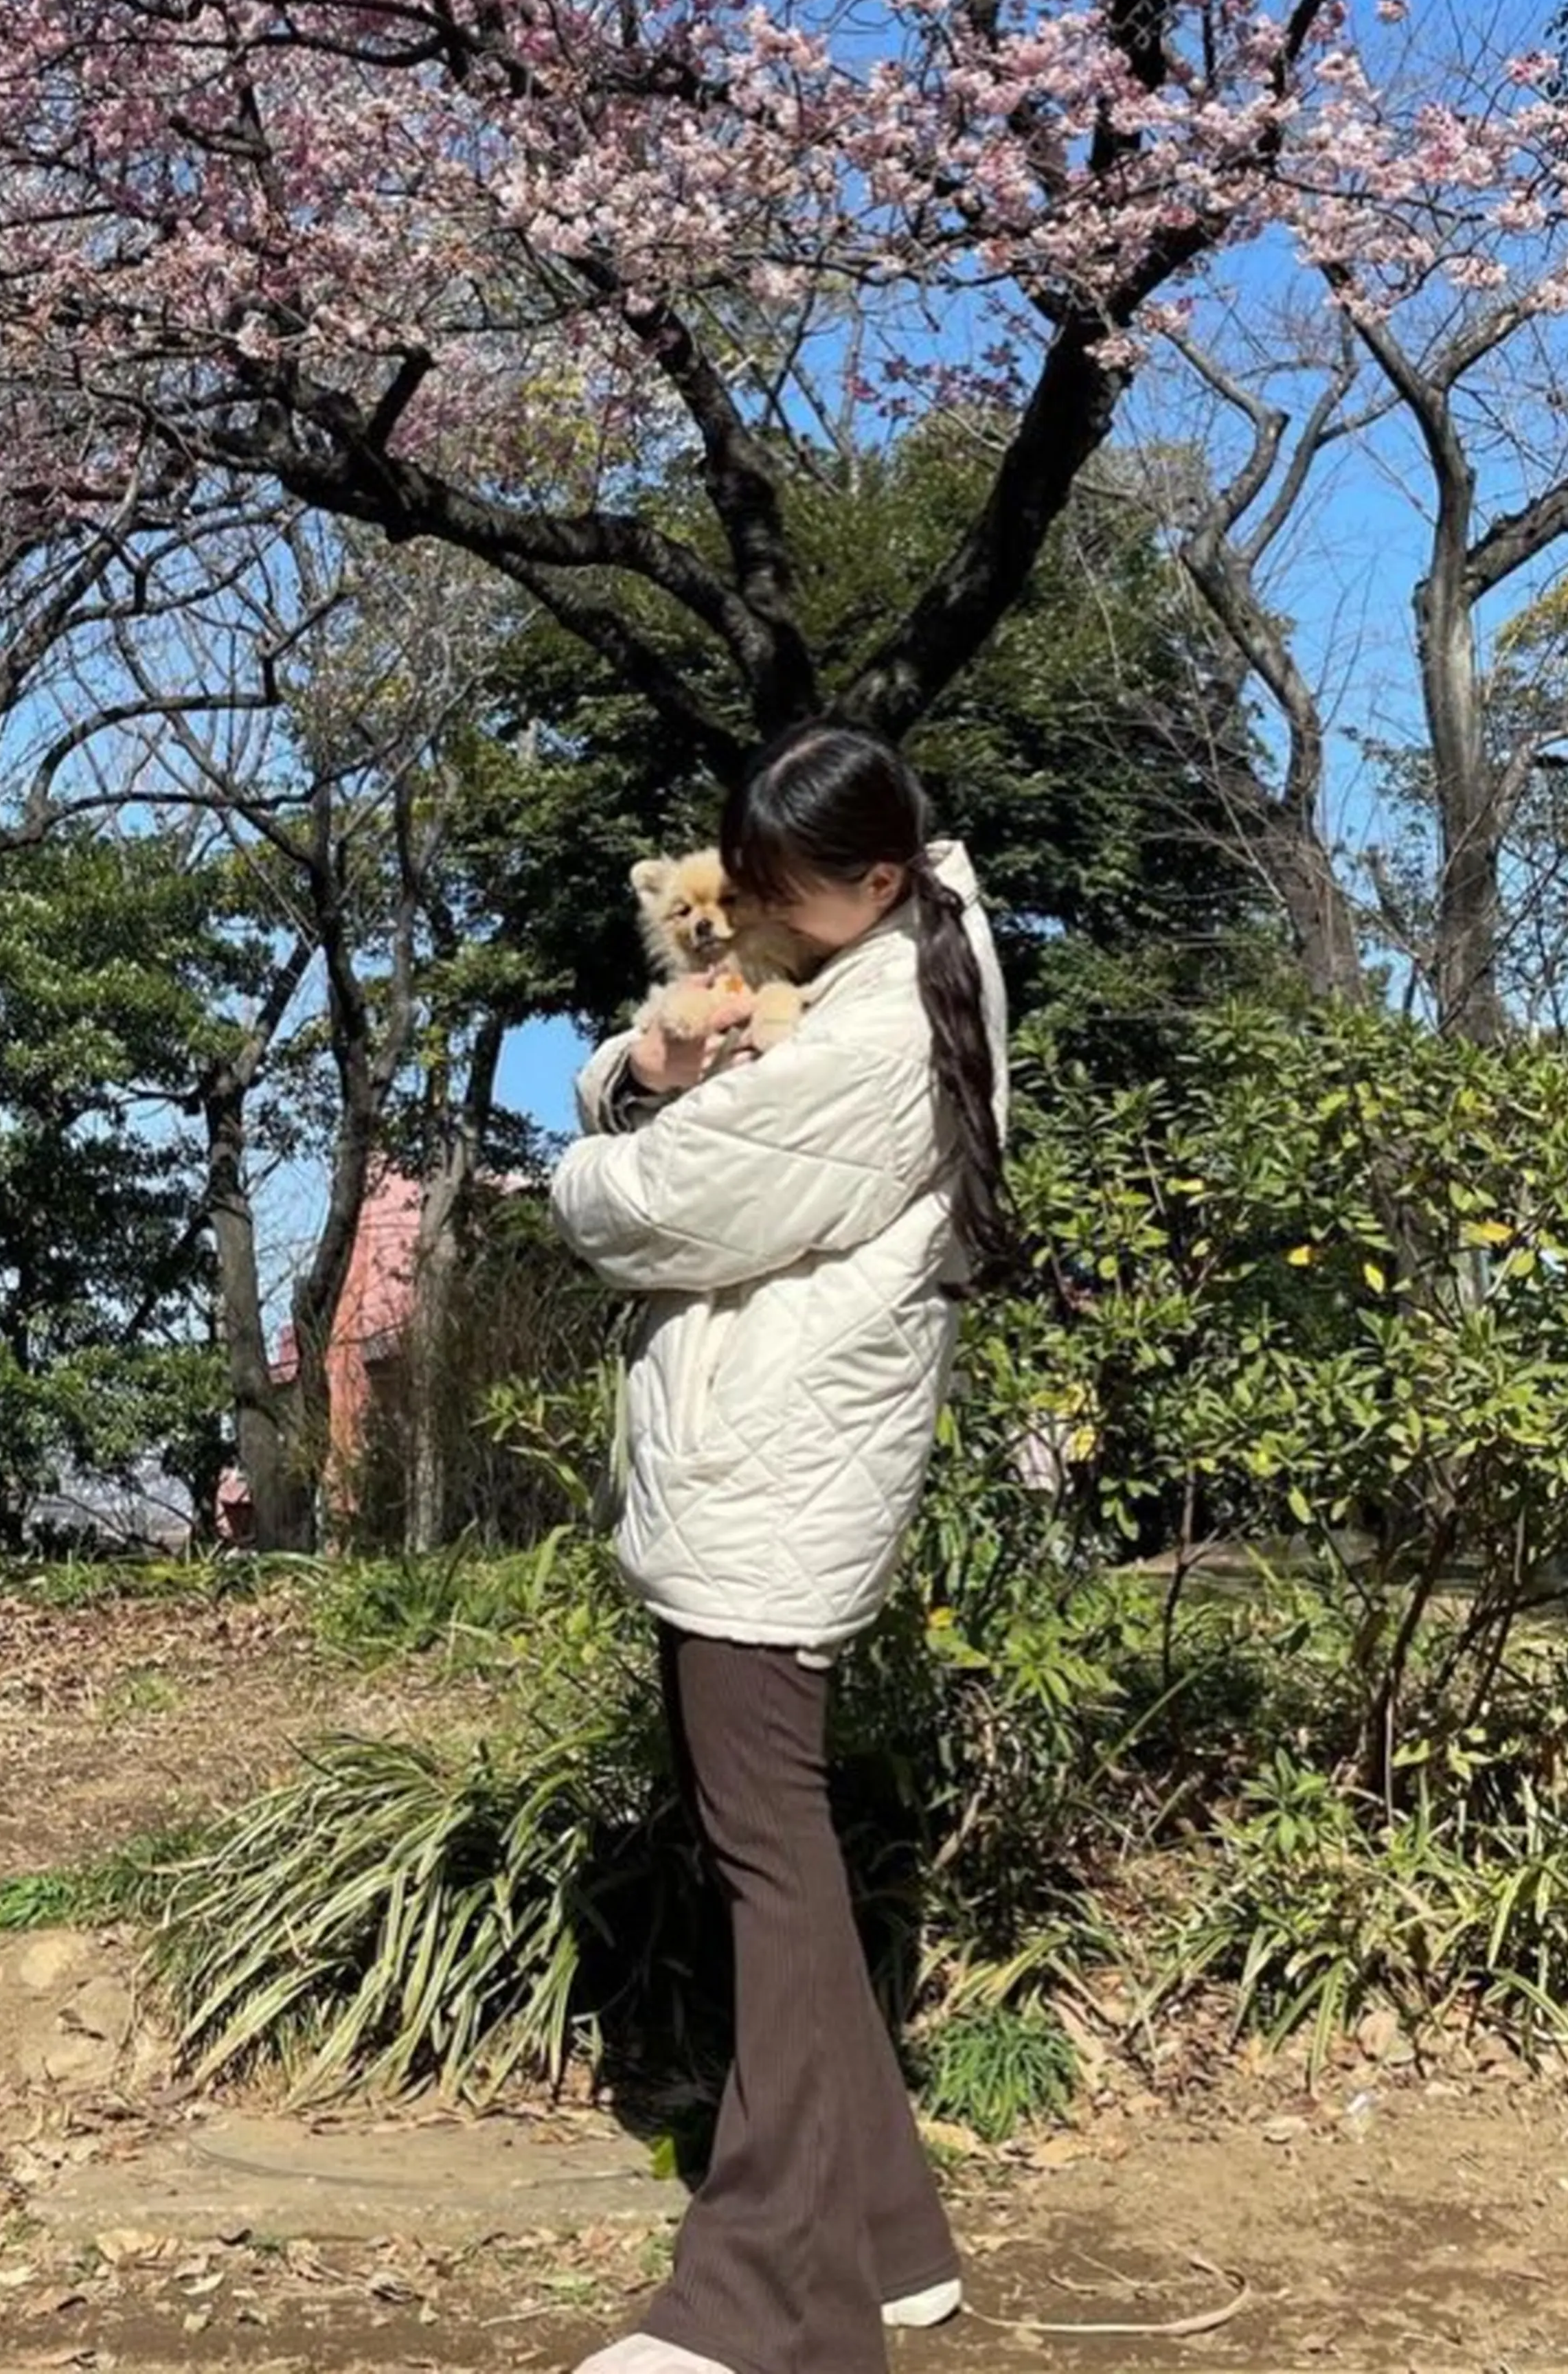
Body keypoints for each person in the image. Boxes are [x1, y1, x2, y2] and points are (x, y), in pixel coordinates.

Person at [548, 720, 1016, 2374]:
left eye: (774, 883)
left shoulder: (875, 1032)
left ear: (875, 877)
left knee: (772, 1864)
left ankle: (768, 2305)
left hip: (775, 1470)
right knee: (780, 1849)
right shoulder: (913, 949)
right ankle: (887, 2244)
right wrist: (643, 1070)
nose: (742, 906)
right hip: (776, 1458)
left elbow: (656, 1205)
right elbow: (666, 1094)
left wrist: (593, 1142)